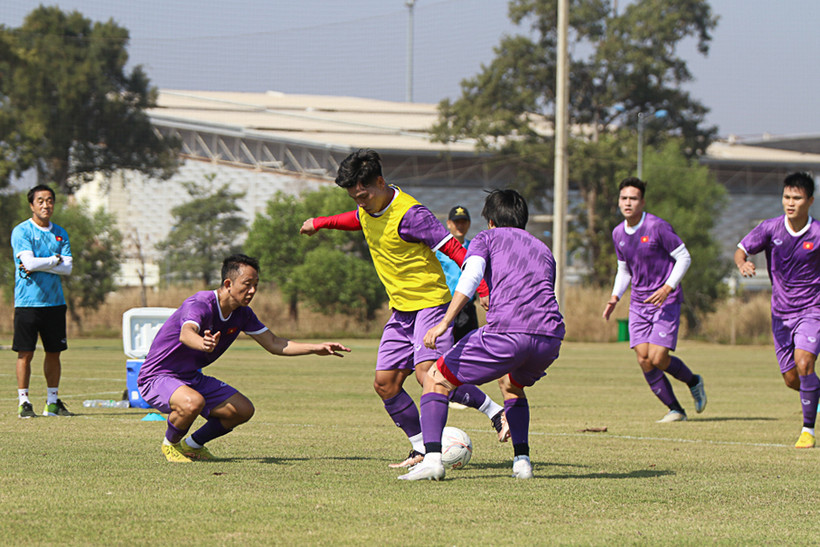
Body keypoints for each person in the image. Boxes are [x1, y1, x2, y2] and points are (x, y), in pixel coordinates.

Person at [300, 149, 509, 468]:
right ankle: (419, 448)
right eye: (354, 197)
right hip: (401, 311)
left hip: (431, 305)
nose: (360, 201)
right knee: (385, 383)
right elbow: (354, 220)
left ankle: (495, 413)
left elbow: (456, 251)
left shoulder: (412, 215)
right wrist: (320, 222)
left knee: (429, 375)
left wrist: (482, 289)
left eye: (364, 194)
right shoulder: (366, 209)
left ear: (381, 182)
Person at [399, 189, 564, 481]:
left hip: (508, 332)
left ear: (490, 222)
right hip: (549, 338)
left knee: (435, 377)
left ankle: (433, 459)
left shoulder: (486, 239)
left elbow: (471, 275)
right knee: (511, 384)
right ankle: (522, 461)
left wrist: (444, 323)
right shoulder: (543, 247)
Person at [137, 254, 350, 463]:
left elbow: (274, 344)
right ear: (228, 283)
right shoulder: (200, 303)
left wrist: (315, 348)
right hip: (157, 376)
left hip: (190, 377)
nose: (253, 291)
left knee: (242, 410)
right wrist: (203, 343)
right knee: (193, 403)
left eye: (256, 285)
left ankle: (192, 446)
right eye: (247, 284)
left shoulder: (243, 314)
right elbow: (187, 333)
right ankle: (170, 445)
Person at [602, 177, 706, 423]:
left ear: (642, 201)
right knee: (643, 358)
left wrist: (668, 287)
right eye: (624, 198)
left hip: (665, 301)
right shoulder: (618, 233)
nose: (628, 203)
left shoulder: (657, 227)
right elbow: (624, 269)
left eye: (633, 198)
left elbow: (684, 257)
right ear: (619, 201)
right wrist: (615, 297)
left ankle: (693, 381)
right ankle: (675, 409)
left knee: (658, 357)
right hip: (639, 303)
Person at [735, 172, 820, 448]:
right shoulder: (770, 229)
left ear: (810, 201)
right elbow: (741, 249)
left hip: (812, 310)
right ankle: (815, 395)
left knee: (805, 362)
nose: (790, 203)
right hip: (781, 315)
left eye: (797, 198)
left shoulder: (818, 233)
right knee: (792, 378)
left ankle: (808, 430)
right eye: (786, 197)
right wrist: (743, 263)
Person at [11, 184, 74, 418]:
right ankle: (24, 402)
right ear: (32, 205)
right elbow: (29, 264)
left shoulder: (60, 233)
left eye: (49, 200)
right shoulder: (22, 231)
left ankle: (52, 402)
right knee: (25, 353)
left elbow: (67, 269)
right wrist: (54, 260)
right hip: (27, 303)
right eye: (40, 201)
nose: (45, 205)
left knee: (54, 352)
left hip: (54, 303)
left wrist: (45, 263)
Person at [435, 205, 480, 342]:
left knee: (469, 350)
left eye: (463, 222)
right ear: (449, 224)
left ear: (469, 224)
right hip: (446, 305)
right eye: (456, 222)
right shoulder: (439, 251)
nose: (460, 226)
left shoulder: (475, 248)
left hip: (467, 308)